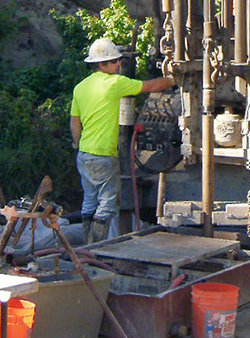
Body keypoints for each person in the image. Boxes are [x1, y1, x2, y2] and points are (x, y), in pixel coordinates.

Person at [70, 37, 175, 243]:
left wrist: (78, 144)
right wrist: (174, 79)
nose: (119, 65)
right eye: (114, 61)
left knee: (89, 201)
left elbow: (75, 123)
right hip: (104, 155)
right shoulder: (115, 83)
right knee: (108, 204)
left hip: (84, 154)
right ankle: (98, 247)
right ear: (101, 64)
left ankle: (86, 246)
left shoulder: (80, 87)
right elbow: (149, 86)